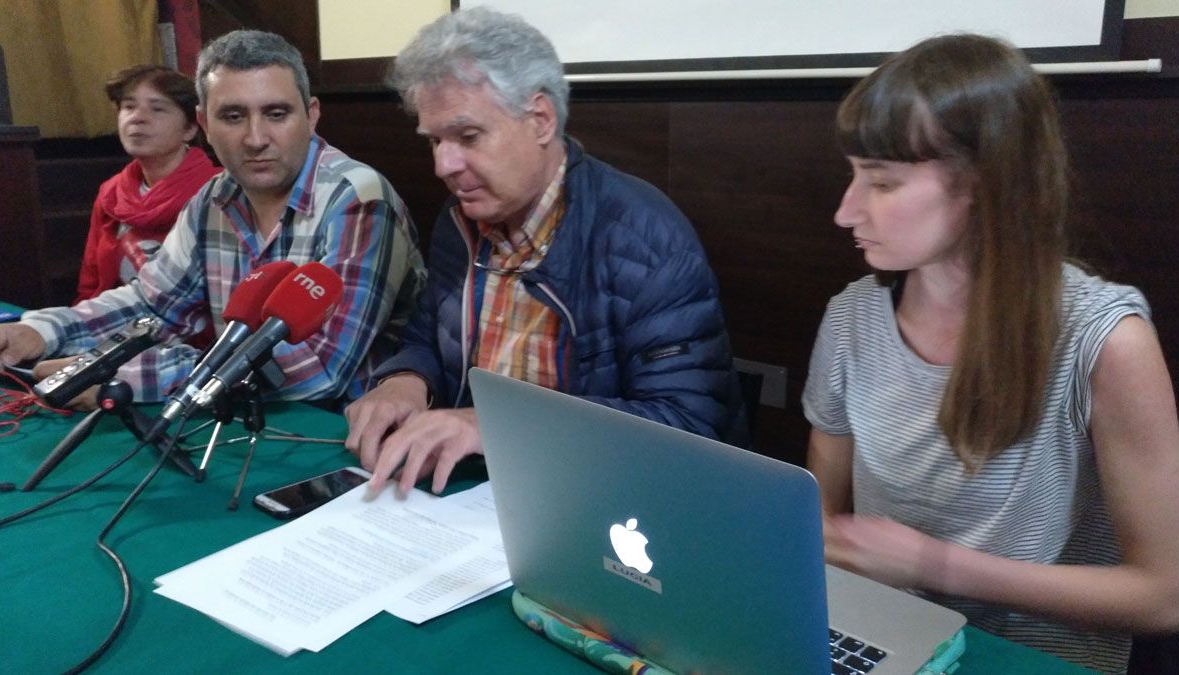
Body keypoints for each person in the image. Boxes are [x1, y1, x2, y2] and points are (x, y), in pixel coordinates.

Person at [801, 34, 1179, 673]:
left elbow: (1163, 597)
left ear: (984, 184)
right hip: (882, 637)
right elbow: (818, 515)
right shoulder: (851, 318)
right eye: (853, 176)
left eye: (882, 182)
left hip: (1030, 656)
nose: (846, 211)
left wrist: (932, 564)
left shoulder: (1104, 340)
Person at [344, 8, 746, 495]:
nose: (444, 165)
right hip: (474, 496)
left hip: (604, 504)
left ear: (539, 119)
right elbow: (428, 338)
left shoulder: (643, 237)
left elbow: (686, 425)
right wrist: (405, 379)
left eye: (468, 136)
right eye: (435, 141)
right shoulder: (460, 219)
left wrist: (494, 426)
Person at [0, 30, 425, 409]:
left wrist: (120, 375)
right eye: (232, 116)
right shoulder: (214, 196)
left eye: (276, 113)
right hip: (229, 414)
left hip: (334, 432)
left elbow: (318, 370)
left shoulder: (359, 200)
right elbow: (153, 303)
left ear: (310, 116)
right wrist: (42, 330)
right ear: (203, 125)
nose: (255, 138)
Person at [75, 65, 219, 304]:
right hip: (116, 324)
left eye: (158, 109)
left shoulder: (216, 192)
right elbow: (91, 284)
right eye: (129, 107)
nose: (137, 118)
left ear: (191, 128)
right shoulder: (112, 194)